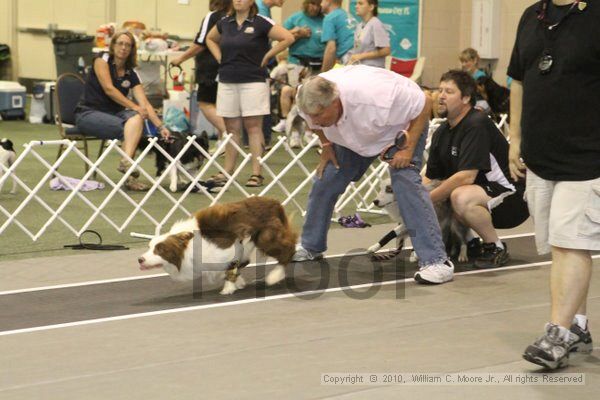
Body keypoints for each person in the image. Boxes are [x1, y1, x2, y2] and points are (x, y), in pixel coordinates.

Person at [293, 65, 454, 285]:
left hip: (398, 127)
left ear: (334, 101)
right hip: (353, 135)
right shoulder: (306, 98)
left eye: (320, 114)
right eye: (311, 116)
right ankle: (311, 246)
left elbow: (425, 102)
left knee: (405, 183)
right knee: (327, 179)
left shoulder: (376, 97)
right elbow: (313, 121)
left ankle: (436, 261)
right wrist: (326, 145)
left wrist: (407, 150)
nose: (315, 121)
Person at [508, 0, 600, 369]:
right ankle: (577, 327)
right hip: (540, 156)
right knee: (558, 244)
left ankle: (556, 335)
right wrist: (514, 138)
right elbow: (517, 79)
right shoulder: (532, 16)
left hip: (589, 156)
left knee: (570, 242)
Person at [425, 70, 529, 268]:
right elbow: (430, 178)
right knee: (441, 192)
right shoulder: (441, 132)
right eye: (440, 90)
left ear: (465, 98)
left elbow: (466, 177)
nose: (441, 96)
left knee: (458, 195)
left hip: (513, 199)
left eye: (449, 91)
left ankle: (495, 247)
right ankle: (470, 242)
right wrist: (410, 199)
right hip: (483, 194)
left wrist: (425, 200)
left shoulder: (477, 123)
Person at [206, 0, 294, 187]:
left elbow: (287, 38)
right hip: (227, 80)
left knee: (253, 127)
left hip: (253, 80)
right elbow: (210, 39)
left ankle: (256, 173)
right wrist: (220, 58)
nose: (238, 0)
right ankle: (228, 171)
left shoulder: (261, 22)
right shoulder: (224, 22)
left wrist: (269, 55)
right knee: (231, 129)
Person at [75, 30, 170, 191]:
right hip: (88, 113)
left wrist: (160, 127)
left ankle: (125, 164)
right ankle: (129, 176)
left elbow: (144, 103)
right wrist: (134, 106)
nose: (124, 48)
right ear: (113, 46)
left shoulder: (131, 73)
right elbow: (109, 89)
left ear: (132, 49)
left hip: (113, 115)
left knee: (136, 119)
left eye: (128, 45)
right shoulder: (102, 60)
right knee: (132, 127)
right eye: (120, 43)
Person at [170, 0, 231, 154]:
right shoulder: (233, 16)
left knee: (205, 103)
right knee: (221, 107)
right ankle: (223, 142)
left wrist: (180, 59)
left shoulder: (212, 16)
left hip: (210, 68)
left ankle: (228, 135)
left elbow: (200, 43)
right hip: (228, 66)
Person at [272, 0, 325, 133]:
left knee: (313, 98)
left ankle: (309, 131)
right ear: (306, 4)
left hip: (317, 63)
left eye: (317, 5)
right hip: (296, 62)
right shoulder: (296, 18)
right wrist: (297, 34)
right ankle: (294, 130)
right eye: (312, 4)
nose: (314, 8)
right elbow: (280, 38)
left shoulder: (325, 20)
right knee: (296, 95)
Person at [346, 0, 390, 68]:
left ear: (371, 7)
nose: (356, 6)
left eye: (360, 3)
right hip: (359, 69)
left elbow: (386, 50)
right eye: (356, 3)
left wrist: (361, 56)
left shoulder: (376, 23)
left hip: (373, 71)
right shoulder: (359, 26)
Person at [320, 0, 354, 72]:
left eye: (322, 1)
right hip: (359, 57)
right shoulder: (346, 14)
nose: (321, 4)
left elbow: (331, 49)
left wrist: (323, 74)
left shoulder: (330, 18)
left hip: (349, 58)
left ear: (328, 1)